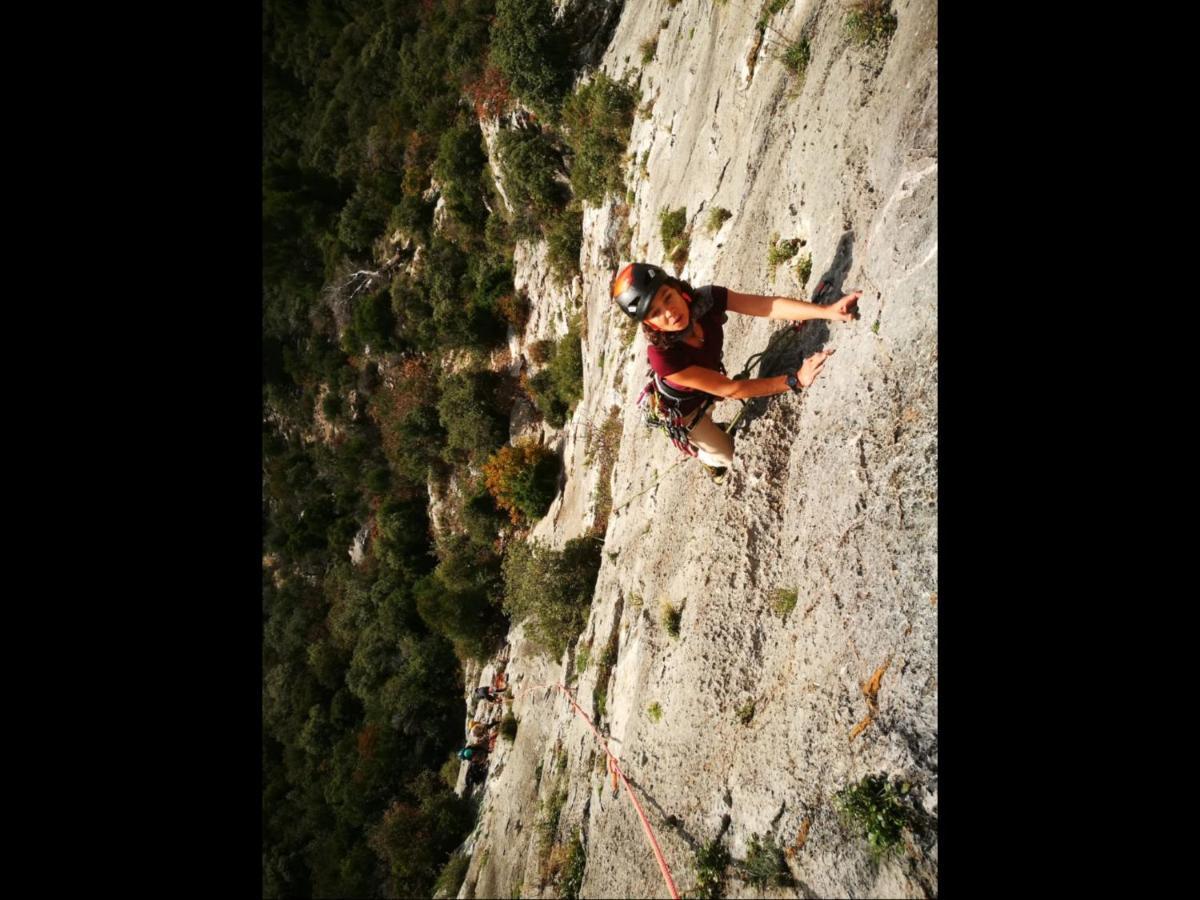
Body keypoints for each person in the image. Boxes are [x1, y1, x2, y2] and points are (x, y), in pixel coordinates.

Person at [611, 262, 861, 480]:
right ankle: (704, 457)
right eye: (655, 313)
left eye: (667, 297)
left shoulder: (707, 299)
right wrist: (796, 379)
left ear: (676, 288)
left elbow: (766, 306)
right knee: (728, 456)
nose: (669, 312)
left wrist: (827, 312)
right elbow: (732, 389)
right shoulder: (663, 358)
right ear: (649, 323)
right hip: (686, 414)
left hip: (711, 383)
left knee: (718, 410)